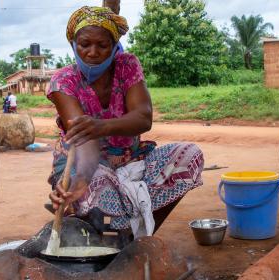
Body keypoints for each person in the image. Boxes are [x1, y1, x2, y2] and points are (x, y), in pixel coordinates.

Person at [47, 6, 204, 237]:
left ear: (114, 47)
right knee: (89, 190)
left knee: (189, 156)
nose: (92, 52)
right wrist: (81, 179)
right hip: (86, 163)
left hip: (131, 160)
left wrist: (101, 126)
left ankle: (138, 238)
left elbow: (143, 117)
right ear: (73, 44)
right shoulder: (63, 81)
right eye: (84, 44)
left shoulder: (127, 66)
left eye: (102, 45)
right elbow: (84, 142)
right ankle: (97, 238)